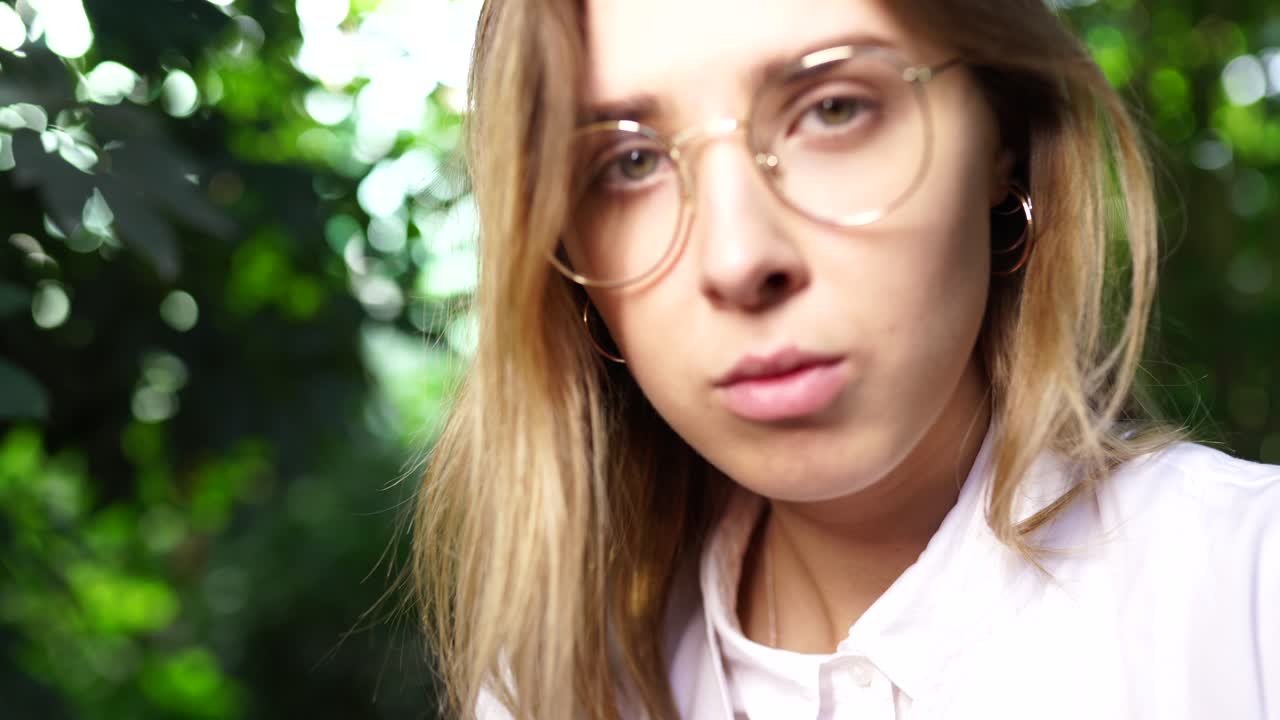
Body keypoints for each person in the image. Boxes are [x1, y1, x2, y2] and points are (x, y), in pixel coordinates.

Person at [411, 0, 1280, 717]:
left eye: (832, 109)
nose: (738, 258)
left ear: (1002, 135)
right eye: (628, 161)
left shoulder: (1250, 592)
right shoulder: (548, 693)